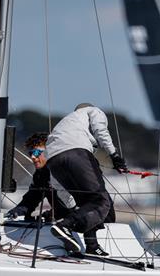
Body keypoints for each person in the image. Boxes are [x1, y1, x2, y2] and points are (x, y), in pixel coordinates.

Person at [44, 103, 127, 254]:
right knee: (101, 200)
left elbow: (57, 185)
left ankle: (92, 245)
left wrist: (72, 208)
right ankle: (65, 226)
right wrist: (114, 155)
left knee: (87, 204)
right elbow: (101, 131)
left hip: (52, 159)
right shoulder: (92, 110)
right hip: (76, 153)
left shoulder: (63, 127)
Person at [5, 132, 74, 223]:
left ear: (49, 150)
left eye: (37, 152)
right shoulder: (41, 175)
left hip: (81, 219)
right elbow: (31, 199)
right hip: (61, 218)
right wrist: (17, 211)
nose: (33, 157)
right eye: (31, 153)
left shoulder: (68, 169)